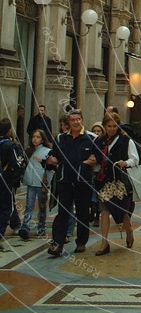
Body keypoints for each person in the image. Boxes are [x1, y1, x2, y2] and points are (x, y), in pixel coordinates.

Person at [46, 109, 97, 257]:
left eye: (78, 119)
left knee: (82, 213)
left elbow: (97, 158)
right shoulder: (61, 138)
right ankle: (58, 243)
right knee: (63, 213)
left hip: (83, 182)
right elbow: (54, 156)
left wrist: (89, 162)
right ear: (68, 122)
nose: (76, 122)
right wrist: (51, 160)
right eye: (73, 119)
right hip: (65, 181)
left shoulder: (91, 138)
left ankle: (81, 242)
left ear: (82, 120)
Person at [94, 113, 139, 255]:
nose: (112, 129)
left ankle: (129, 231)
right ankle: (104, 242)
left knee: (122, 211)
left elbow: (135, 159)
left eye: (114, 126)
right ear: (104, 126)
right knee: (104, 210)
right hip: (104, 180)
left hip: (120, 181)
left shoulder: (126, 140)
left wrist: (124, 162)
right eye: (109, 126)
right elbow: (94, 156)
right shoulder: (99, 141)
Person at [19, 129, 52, 240]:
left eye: (38, 137)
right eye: (33, 137)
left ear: (42, 139)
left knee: (42, 206)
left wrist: (46, 182)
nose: (35, 139)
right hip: (31, 182)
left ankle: (41, 227)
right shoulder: (29, 150)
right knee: (29, 205)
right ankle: (25, 226)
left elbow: (49, 169)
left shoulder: (47, 151)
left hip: (41, 183)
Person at [0, 119, 27, 252]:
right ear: (9, 130)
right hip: (5, 180)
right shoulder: (11, 145)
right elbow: (19, 164)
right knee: (6, 207)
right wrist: (17, 178)